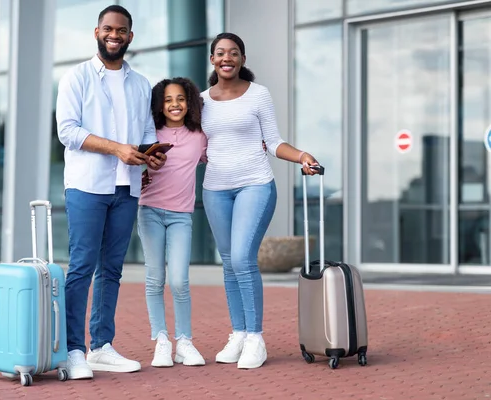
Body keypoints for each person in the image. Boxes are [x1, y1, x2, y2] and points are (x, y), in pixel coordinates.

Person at [55, 5, 166, 380]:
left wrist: (151, 156)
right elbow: (67, 131)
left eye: (121, 30)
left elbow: (148, 133)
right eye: (108, 29)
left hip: (127, 188)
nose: (114, 35)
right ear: (96, 32)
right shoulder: (76, 77)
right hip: (87, 185)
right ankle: (72, 350)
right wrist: (117, 148)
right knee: (83, 266)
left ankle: (101, 346)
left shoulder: (140, 84)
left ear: (130, 37)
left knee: (112, 270)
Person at [199, 32, 319, 370]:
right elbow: (192, 145)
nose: (227, 58)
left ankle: (255, 338)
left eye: (233, 52)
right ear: (212, 60)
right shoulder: (200, 100)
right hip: (215, 189)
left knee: (242, 257)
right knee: (228, 261)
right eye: (220, 53)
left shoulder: (258, 95)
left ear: (242, 59)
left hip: (255, 184)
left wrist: (301, 157)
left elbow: (274, 142)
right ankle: (238, 333)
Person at [137, 77, 207, 368]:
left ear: (189, 102)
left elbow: (215, 157)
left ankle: (185, 342)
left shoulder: (200, 136)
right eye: (167, 100)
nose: (174, 104)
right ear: (159, 105)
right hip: (149, 211)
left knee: (179, 280)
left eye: (180, 98)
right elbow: (134, 162)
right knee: (155, 279)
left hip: (181, 216)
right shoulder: (149, 131)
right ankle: (162, 341)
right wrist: (143, 166)